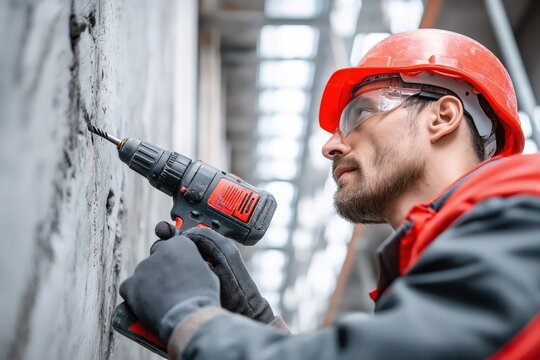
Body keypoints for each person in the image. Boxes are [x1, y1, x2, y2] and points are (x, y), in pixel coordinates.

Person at [119, 29, 540, 359]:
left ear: (442, 116)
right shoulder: (436, 270)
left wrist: (193, 324)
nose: (330, 146)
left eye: (358, 113)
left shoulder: (526, 210)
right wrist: (259, 325)